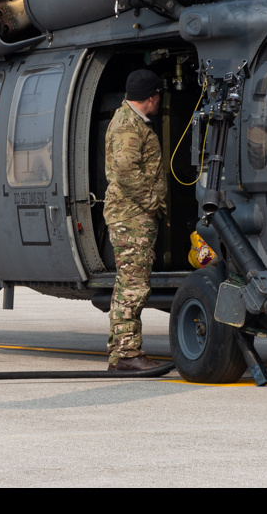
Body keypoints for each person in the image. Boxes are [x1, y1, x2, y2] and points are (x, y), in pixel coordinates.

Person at [103, 68, 167, 371]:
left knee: (125, 286)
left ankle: (121, 352)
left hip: (129, 215)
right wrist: (152, 202)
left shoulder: (129, 120)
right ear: (152, 98)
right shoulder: (130, 125)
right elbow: (127, 169)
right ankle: (128, 354)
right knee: (133, 287)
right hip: (132, 218)